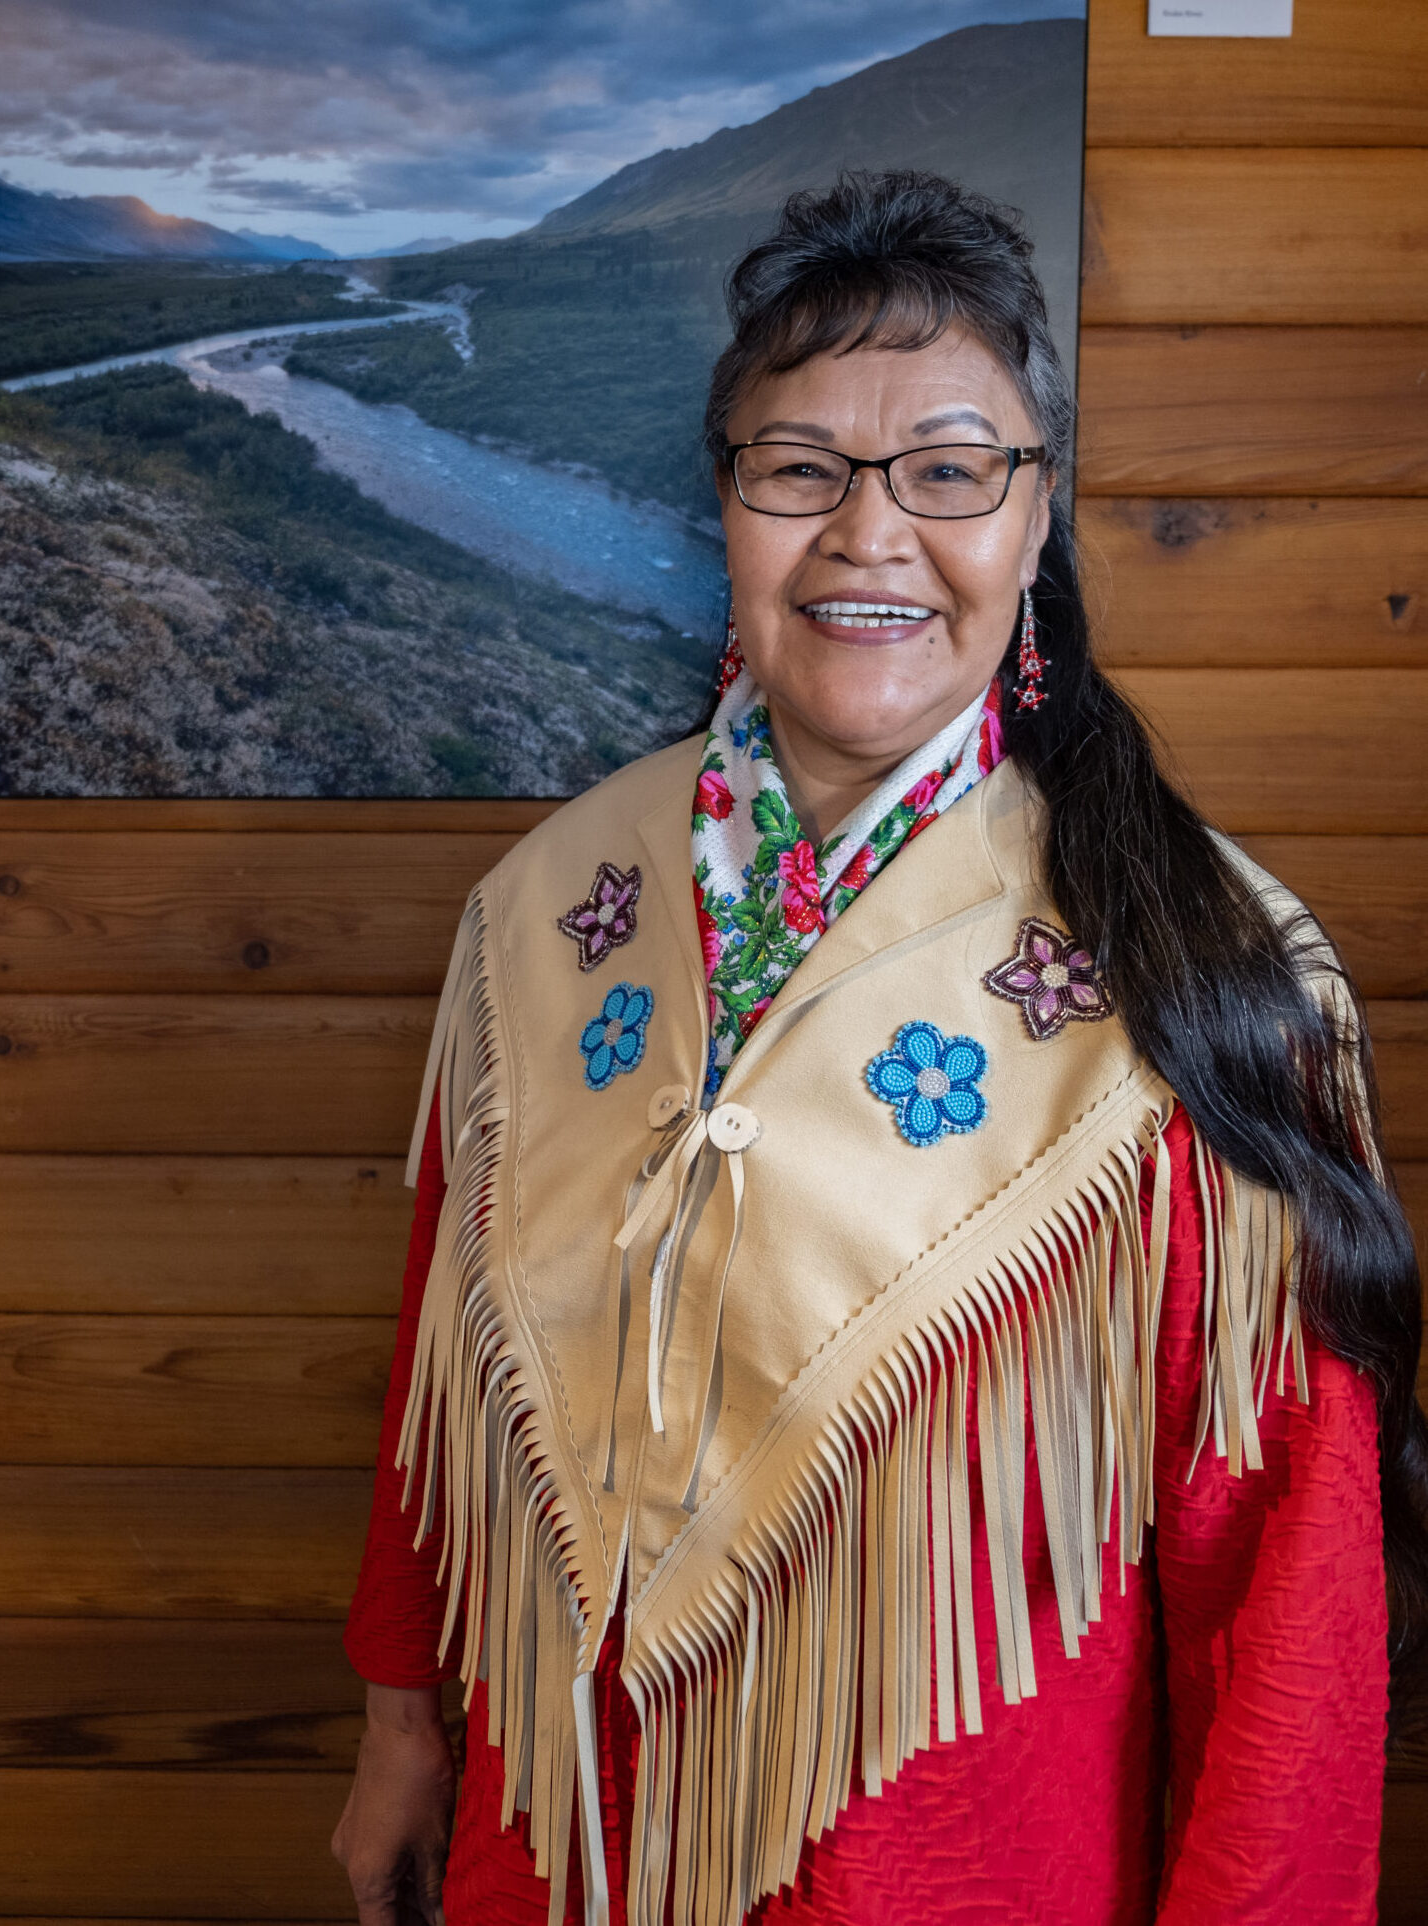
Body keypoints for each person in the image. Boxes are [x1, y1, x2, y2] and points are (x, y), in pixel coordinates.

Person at [332, 172, 1425, 1926]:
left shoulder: (1201, 965)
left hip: (962, 1865)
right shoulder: (546, 906)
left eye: (945, 467)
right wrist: (403, 1722)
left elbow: (1287, 1584)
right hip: (555, 1844)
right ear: (727, 505)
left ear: (1032, 508)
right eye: (801, 469)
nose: (869, 532)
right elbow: (439, 1374)